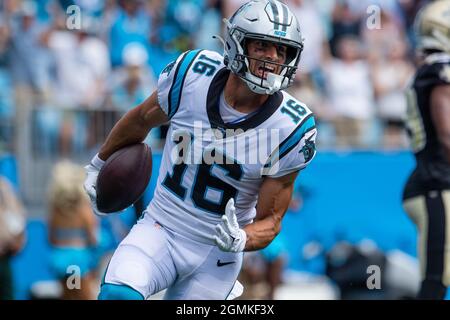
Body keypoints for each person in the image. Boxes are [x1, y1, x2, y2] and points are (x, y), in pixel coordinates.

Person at [84, 0, 317, 300]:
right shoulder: (193, 74)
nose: (273, 58)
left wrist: (241, 238)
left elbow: (271, 221)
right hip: (161, 227)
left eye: (282, 50)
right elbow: (141, 118)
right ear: (236, 43)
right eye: (262, 46)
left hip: (215, 256)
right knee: (118, 296)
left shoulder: (290, 127)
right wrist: (99, 162)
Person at [402, 0, 450, 300]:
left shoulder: (429, 69)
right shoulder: (440, 70)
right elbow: (447, 136)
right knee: (435, 280)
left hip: (434, 182)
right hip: (438, 185)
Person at [48, 161, 99, 300]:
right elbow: (93, 239)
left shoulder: (55, 212)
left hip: (61, 260)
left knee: (68, 295)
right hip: (78, 262)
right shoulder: (84, 211)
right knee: (82, 296)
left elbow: (51, 239)